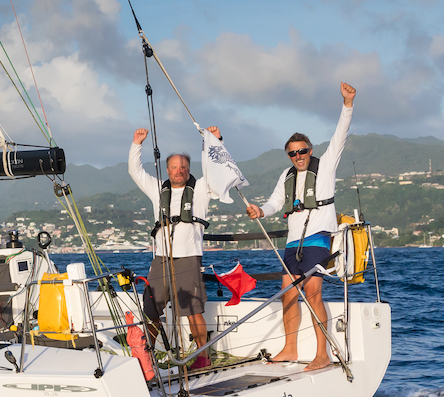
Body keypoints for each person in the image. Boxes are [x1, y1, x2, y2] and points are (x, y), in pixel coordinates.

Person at [246, 82, 356, 371]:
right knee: (288, 295)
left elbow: (340, 136)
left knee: (313, 293)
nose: (298, 156)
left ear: (310, 150)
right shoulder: (286, 175)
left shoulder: (326, 167)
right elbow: (273, 203)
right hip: (293, 244)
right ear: (289, 156)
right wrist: (260, 211)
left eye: (303, 150)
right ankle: (290, 347)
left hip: (318, 240)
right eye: (293, 153)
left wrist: (347, 104)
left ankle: (323, 354)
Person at [128, 126, 222, 369]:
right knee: (150, 309)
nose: (179, 171)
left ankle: (202, 357)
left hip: (189, 259)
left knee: (193, 310)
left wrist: (214, 141)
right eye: (174, 167)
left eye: (183, 167)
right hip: (160, 260)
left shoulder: (202, 189)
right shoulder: (157, 189)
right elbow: (135, 172)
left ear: (188, 169)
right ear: (167, 170)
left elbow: (216, 170)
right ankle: (143, 360)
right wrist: (137, 144)